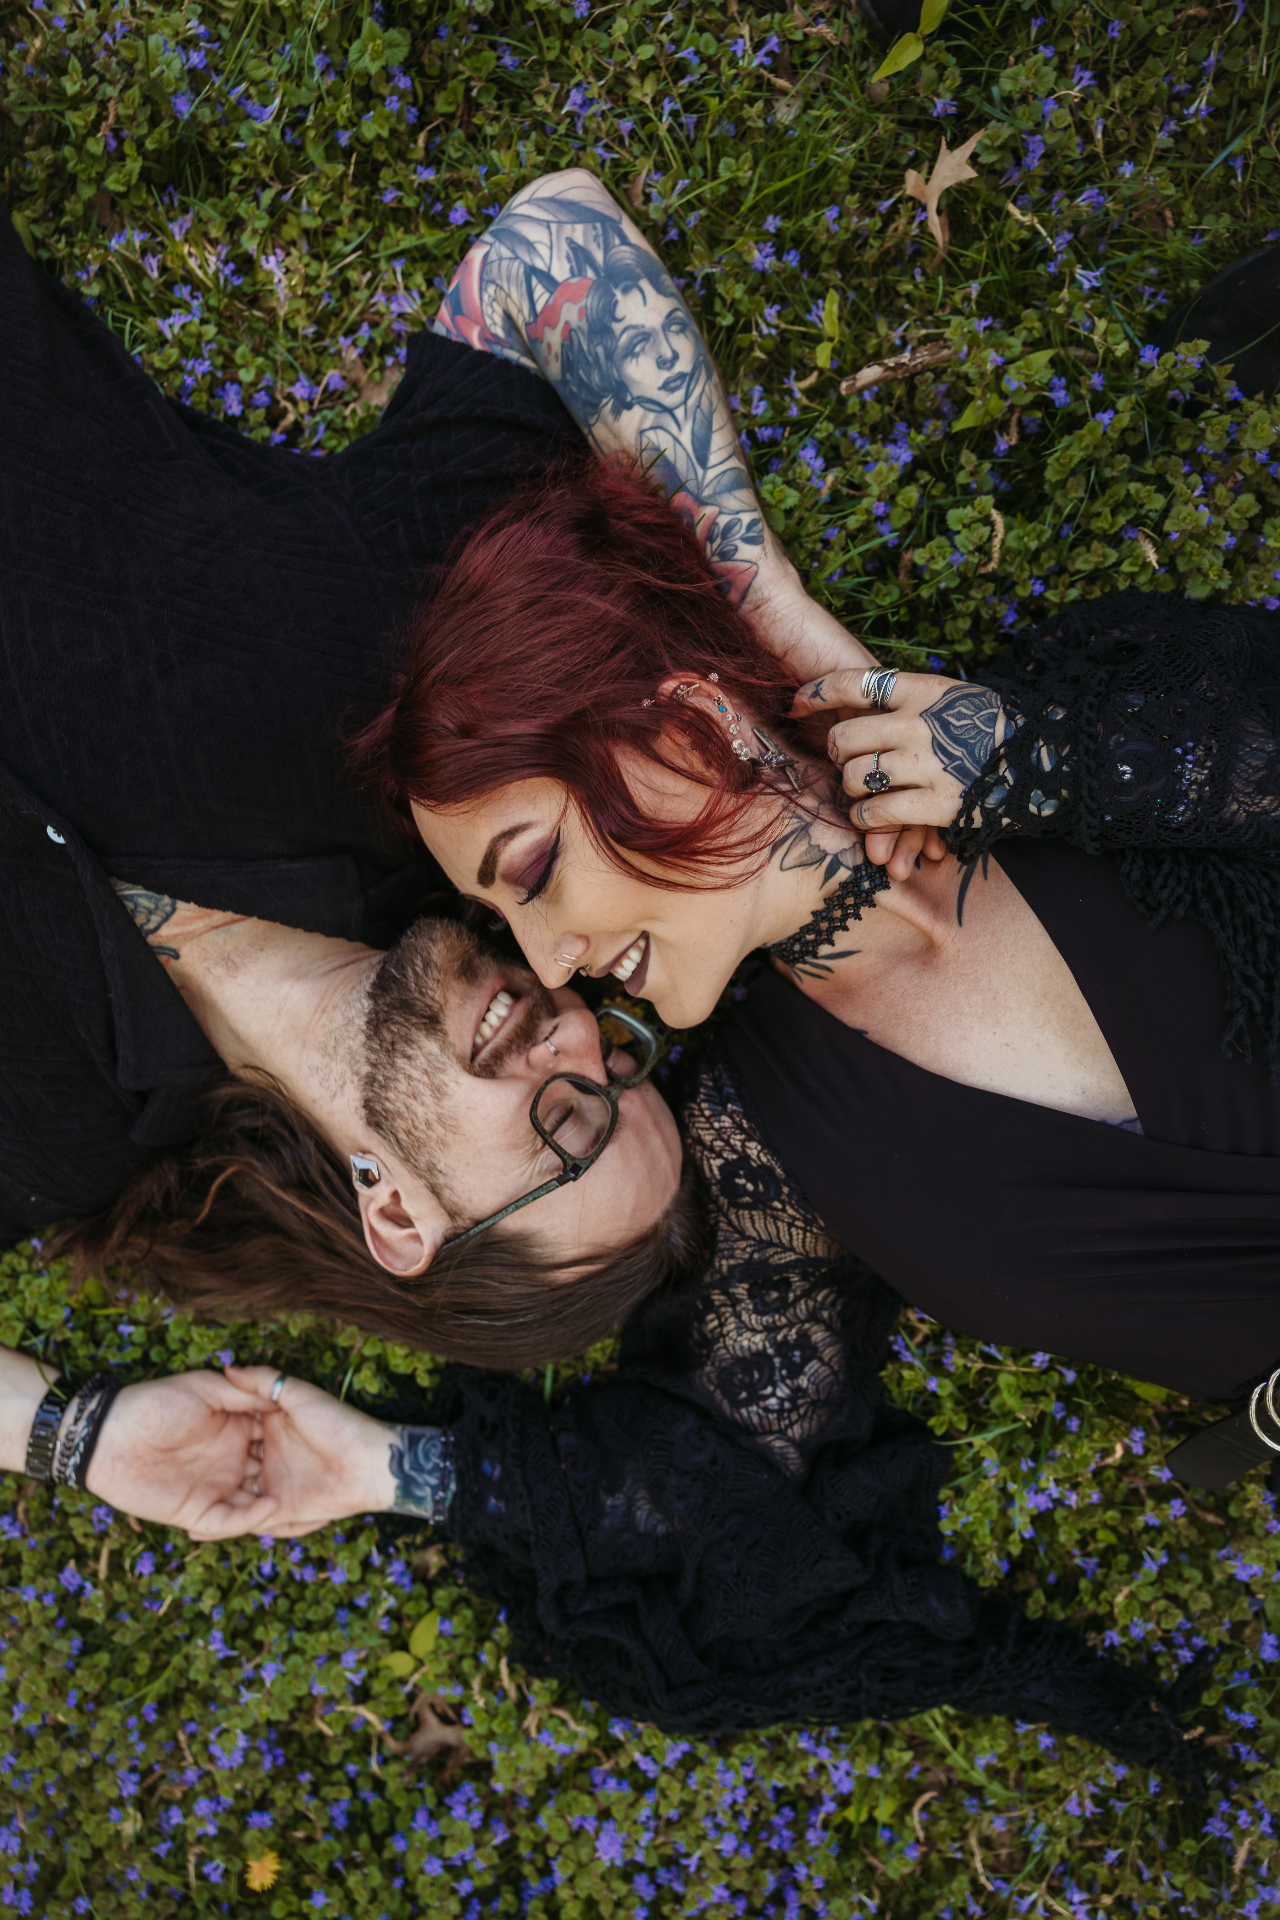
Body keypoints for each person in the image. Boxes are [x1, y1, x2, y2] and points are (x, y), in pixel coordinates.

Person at [365, 181, 1280, 1481]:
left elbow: (540, 242)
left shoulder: (1082, 726)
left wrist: (1040, 753)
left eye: (533, 874)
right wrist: (379, 1476)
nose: (551, 962)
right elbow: (729, 1479)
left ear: (677, 730)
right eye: (512, 924)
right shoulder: (767, 1136)